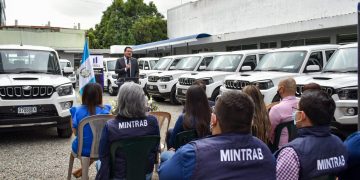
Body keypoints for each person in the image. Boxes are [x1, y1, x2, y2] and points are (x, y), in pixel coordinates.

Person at [159, 91, 276, 179]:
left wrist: (170, 155)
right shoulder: (265, 151)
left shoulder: (193, 154)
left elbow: (165, 174)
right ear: (250, 121)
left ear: (214, 120)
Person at [275, 90, 348, 180]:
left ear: (302, 115)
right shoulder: (339, 143)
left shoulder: (291, 153)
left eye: (297, 109)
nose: (294, 113)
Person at [96, 82, 160, 180]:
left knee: (98, 163)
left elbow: (102, 154)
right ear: (142, 100)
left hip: (119, 176)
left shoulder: (111, 126)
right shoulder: (153, 122)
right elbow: (156, 148)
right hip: (145, 174)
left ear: (121, 101)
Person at [70, 83, 111, 178]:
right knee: (96, 143)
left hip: (82, 150)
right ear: (100, 96)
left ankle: (84, 174)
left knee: (84, 142)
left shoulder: (76, 111)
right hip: (102, 149)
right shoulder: (106, 110)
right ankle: (85, 171)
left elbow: (76, 133)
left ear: (84, 96)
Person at [168, 85, 211, 149]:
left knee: (170, 132)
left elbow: (172, 143)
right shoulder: (210, 116)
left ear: (188, 100)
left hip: (185, 154)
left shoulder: (183, 118)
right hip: (205, 151)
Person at [269, 77, 298, 148]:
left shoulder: (276, 109)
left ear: (281, 89)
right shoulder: (302, 104)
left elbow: (269, 132)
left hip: (280, 148)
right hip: (298, 144)